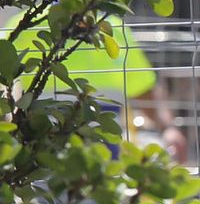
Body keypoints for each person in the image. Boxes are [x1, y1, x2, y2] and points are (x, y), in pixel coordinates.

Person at [6, 9, 187, 163]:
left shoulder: (113, 29)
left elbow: (142, 86)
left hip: (104, 156)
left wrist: (168, 128)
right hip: (42, 152)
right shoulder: (28, 24)